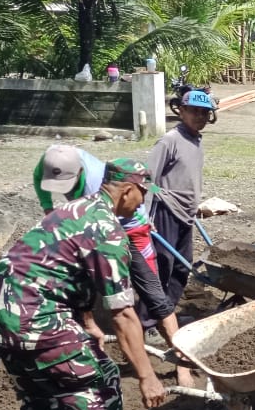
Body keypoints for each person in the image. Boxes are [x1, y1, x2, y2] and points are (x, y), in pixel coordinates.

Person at [0, 159, 168, 410]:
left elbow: (64, 273)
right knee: (99, 379)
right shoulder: (107, 230)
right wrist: (147, 376)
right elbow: (123, 315)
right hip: (36, 315)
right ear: (128, 190)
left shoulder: (73, 210)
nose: (142, 204)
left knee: (40, 389)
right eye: (143, 195)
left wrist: (87, 323)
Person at [33, 145, 167, 338]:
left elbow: (132, 202)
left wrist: (144, 222)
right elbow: (38, 178)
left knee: (148, 280)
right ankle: (88, 317)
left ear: (79, 172)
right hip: (99, 223)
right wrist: (47, 207)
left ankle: (149, 323)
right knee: (90, 271)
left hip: (130, 223)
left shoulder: (95, 185)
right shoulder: (51, 160)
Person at [147, 89, 213, 388]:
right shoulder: (169, 141)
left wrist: (195, 204)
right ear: (181, 111)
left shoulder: (196, 141)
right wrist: (148, 213)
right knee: (161, 268)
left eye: (204, 113)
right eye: (194, 111)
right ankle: (150, 322)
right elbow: (147, 179)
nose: (199, 116)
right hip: (165, 213)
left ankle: (167, 315)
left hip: (186, 215)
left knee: (182, 270)